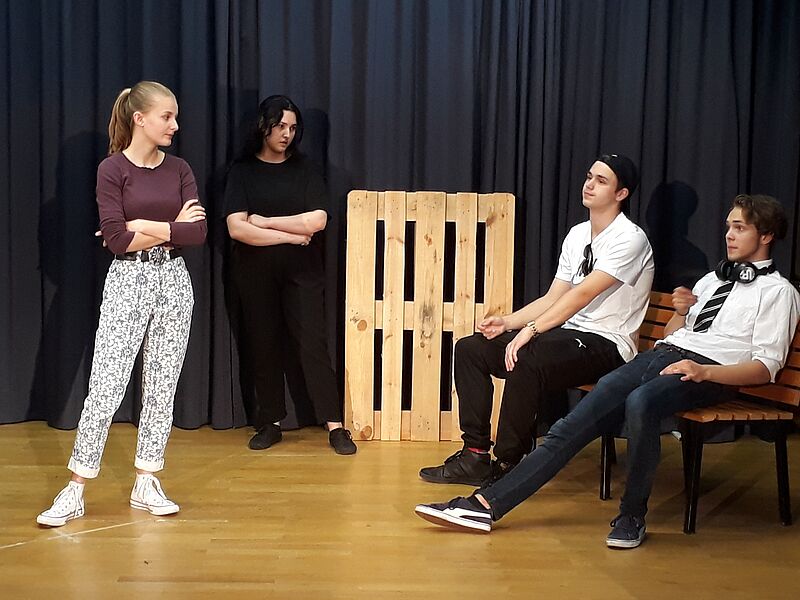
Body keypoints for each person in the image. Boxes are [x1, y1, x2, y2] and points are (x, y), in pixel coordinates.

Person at [415, 194, 800, 549]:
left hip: (710, 372)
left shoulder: (779, 293)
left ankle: (632, 517)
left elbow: (765, 368)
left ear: (766, 235)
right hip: (664, 357)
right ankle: (484, 505)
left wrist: (704, 373)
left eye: (740, 228)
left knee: (642, 402)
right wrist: (682, 314)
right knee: (571, 425)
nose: (729, 234)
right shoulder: (712, 280)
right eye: (729, 226)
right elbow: (672, 335)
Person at [419, 154, 654, 485]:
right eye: (589, 176)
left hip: (608, 344)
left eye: (601, 181)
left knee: (527, 358)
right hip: (569, 335)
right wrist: (508, 323)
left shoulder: (630, 238)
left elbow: (582, 295)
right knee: (471, 348)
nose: (589, 185)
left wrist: (531, 330)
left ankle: (507, 464)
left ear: (621, 193)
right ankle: (474, 455)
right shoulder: (577, 234)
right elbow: (554, 297)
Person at [37, 81, 207, 527]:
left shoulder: (180, 169)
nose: (175, 125)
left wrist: (144, 225)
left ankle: (147, 480)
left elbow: (198, 232)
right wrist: (170, 226)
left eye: (175, 116)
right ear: (140, 119)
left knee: (162, 385)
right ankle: (75, 487)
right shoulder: (112, 169)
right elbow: (115, 240)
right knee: (106, 385)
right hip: (129, 280)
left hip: (174, 280)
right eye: (167, 116)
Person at [225, 95, 356, 455]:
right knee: (263, 344)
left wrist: (266, 222)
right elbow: (237, 229)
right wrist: (291, 236)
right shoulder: (242, 171)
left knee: (312, 344)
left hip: (303, 272)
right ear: (264, 126)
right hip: (254, 274)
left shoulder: (305, 169)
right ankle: (270, 422)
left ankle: (335, 425)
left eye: (293, 128)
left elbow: (318, 220)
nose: (287, 134)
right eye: (280, 126)